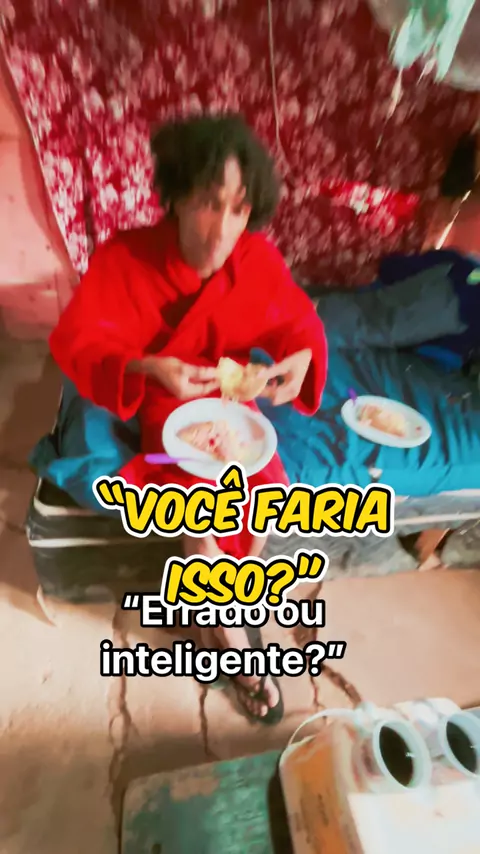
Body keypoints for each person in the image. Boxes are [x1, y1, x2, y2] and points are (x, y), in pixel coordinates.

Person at [50, 112, 328, 724]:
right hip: (164, 398)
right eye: (207, 202)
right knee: (200, 503)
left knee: (266, 492)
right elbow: (78, 341)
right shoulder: (126, 258)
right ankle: (232, 641)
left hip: (231, 403)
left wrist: (300, 360)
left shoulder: (255, 259)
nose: (222, 228)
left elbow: (298, 322)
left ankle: (226, 605)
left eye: (238, 208)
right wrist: (146, 365)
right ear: (174, 195)